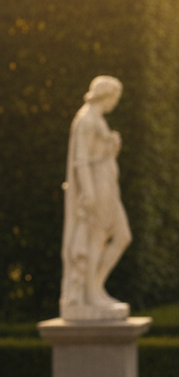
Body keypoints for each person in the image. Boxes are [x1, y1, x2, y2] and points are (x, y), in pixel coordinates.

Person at [60, 75, 132, 319]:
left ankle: (96, 287)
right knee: (96, 238)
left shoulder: (97, 119)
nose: (115, 103)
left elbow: (96, 155)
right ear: (106, 95)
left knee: (122, 236)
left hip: (108, 184)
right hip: (97, 187)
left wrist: (111, 147)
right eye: (115, 98)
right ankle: (90, 293)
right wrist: (88, 191)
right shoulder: (87, 120)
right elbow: (81, 160)